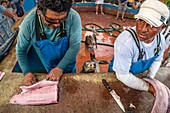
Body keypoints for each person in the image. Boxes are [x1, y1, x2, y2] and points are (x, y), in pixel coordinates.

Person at [109, 0, 169, 95]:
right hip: (119, 74)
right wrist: (147, 87)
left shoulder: (160, 40)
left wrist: (150, 78)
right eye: (141, 20)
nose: (142, 29)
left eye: (152, 25)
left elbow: (157, 60)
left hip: (136, 75)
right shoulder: (125, 42)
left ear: (162, 28)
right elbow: (122, 75)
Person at [16, 0, 82, 86]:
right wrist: (27, 72)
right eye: (51, 20)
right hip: (48, 66)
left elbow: (74, 47)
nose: (56, 25)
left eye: (62, 19)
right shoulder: (29, 23)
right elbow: (21, 50)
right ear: (39, 12)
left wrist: (60, 68)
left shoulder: (73, 17)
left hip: (69, 66)